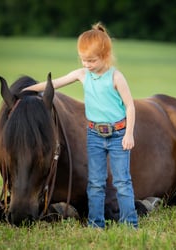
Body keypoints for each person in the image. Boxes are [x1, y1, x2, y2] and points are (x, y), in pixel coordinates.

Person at [23, 22, 138, 229]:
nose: (87, 65)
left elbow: (130, 106)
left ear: (105, 55)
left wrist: (128, 134)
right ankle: (96, 223)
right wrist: (25, 90)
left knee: (122, 182)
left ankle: (130, 223)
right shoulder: (82, 75)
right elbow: (54, 84)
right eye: (83, 60)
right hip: (94, 134)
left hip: (118, 133)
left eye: (91, 60)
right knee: (95, 183)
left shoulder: (116, 77)